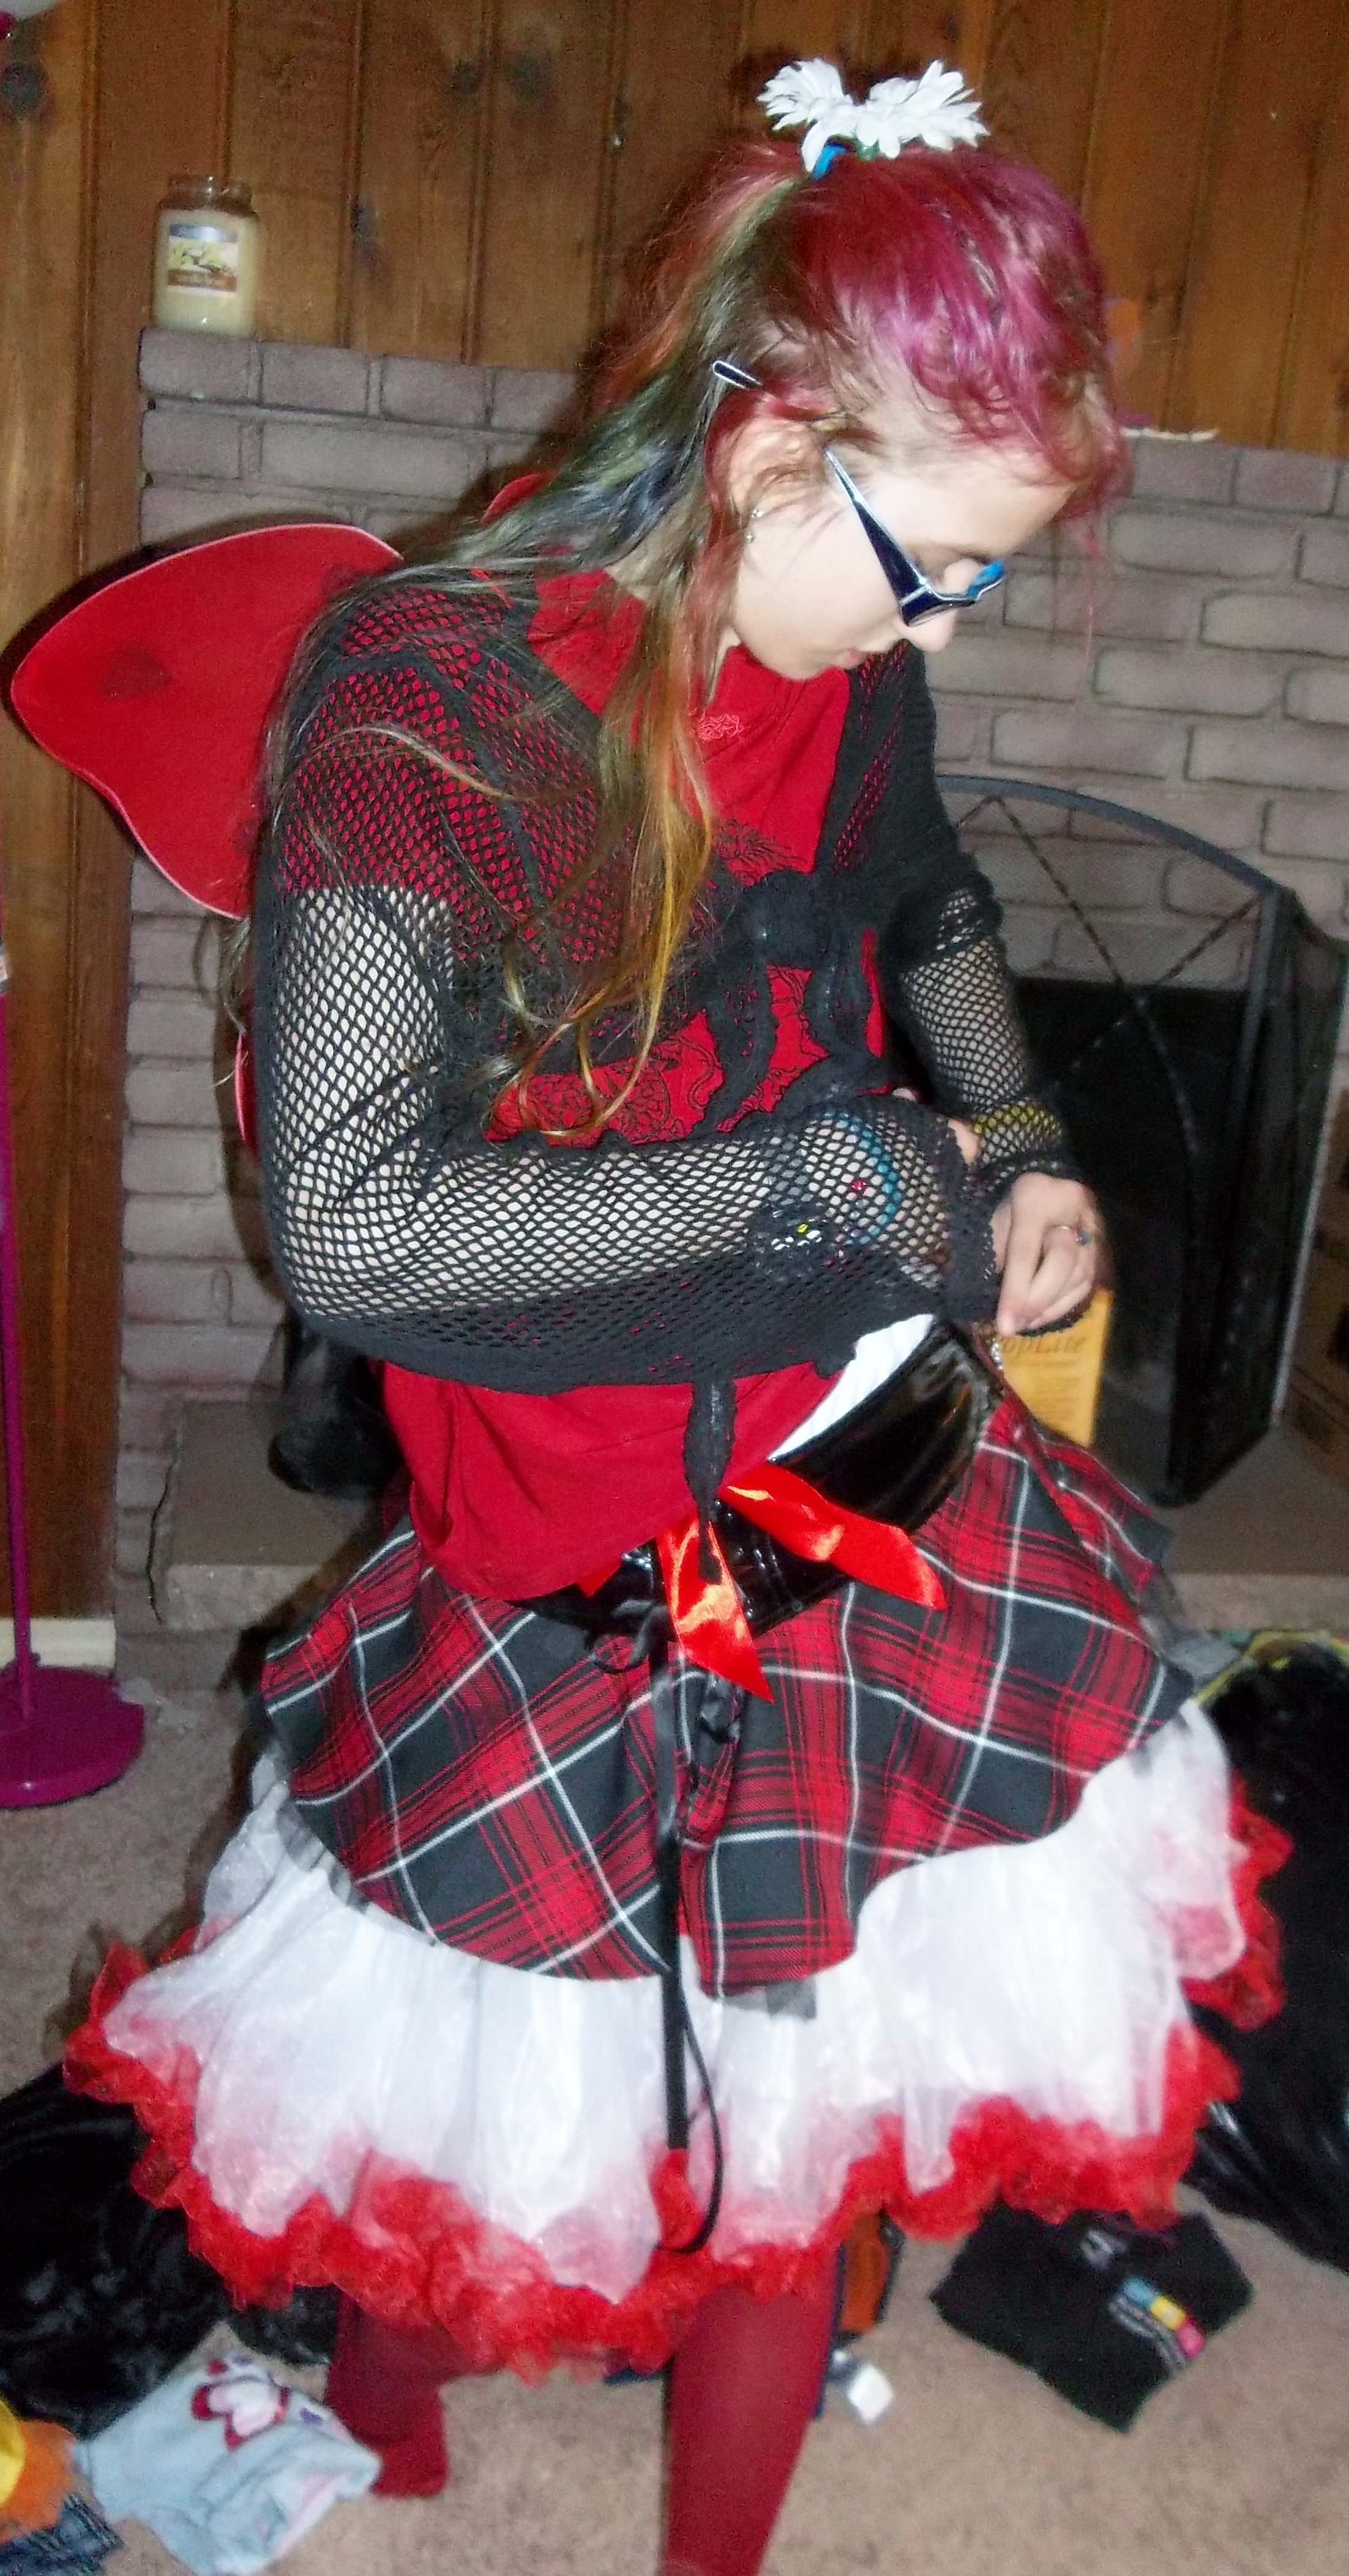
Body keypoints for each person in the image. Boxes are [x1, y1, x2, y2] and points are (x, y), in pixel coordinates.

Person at [67, 59, 1280, 2576]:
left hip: (846, 1443)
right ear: (765, 443)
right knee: (475, 2025)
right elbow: (358, 1230)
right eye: (928, 566)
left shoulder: (844, 655)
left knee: (798, 2063)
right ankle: (389, 2414)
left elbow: (930, 902)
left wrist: (1017, 1139)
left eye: (975, 586)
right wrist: (824, 1169)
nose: (931, 626)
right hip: (579, 1497)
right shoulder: (434, 696)